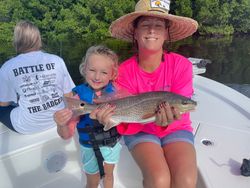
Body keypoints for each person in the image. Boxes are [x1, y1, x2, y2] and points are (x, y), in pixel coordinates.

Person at [90, 0, 199, 188]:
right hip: (139, 129)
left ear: (166, 33)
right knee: (159, 180)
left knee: (187, 180)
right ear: (135, 32)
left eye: (158, 26)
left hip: (176, 127)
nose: (151, 30)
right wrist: (105, 117)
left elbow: (182, 107)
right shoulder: (122, 71)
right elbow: (125, 114)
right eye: (145, 25)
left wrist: (167, 121)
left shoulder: (182, 65)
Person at [53, 45, 122, 188]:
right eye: (92, 70)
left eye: (104, 72)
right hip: (89, 147)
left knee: (109, 177)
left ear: (112, 74)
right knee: (92, 181)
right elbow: (66, 135)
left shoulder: (117, 92)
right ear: (84, 69)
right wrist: (61, 124)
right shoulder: (77, 97)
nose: (97, 77)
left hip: (111, 144)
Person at [0, 20, 75, 134]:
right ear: (38, 39)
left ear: (16, 41)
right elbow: (68, 95)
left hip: (27, 126)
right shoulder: (56, 60)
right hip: (59, 119)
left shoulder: (8, 66)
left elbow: (4, 103)